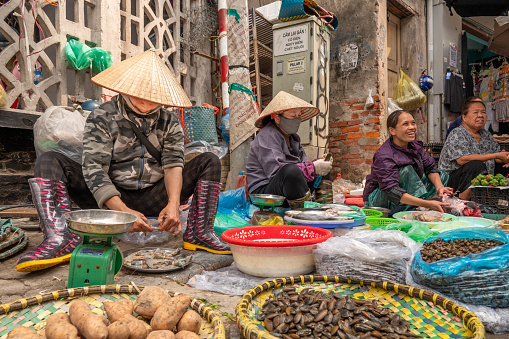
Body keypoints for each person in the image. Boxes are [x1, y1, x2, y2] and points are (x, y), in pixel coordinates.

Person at [17, 49, 230, 273]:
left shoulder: (170, 122)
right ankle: (59, 238)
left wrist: (173, 205)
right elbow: (94, 167)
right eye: (140, 94)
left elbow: (173, 164)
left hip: (153, 196)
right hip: (108, 199)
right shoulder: (102, 116)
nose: (146, 101)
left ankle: (199, 233)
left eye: (153, 96)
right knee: (49, 160)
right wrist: (121, 211)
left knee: (209, 161)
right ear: (127, 88)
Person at [246, 91, 333, 209]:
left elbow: (305, 167)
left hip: (289, 189)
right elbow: (278, 172)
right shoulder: (267, 136)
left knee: (323, 170)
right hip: (265, 192)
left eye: (298, 116)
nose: (296, 120)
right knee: (291, 171)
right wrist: (312, 167)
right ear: (277, 118)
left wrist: (318, 165)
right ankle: (301, 214)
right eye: (292, 116)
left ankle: (326, 211)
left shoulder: (294, 139)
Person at [363, 110, 453, 215]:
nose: (411, 127)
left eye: (413, 123)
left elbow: (430, 167)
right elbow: (391, 191)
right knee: (406, 170)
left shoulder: (415, 146)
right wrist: (427, 204)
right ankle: (413, 206)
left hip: (404, 192)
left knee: (442, 175)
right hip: (380, 201)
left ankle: (416, 204)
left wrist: (440, 187)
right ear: (392, 131)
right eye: (405, 124)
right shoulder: (384, 155)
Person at [439, 100, 509, 200]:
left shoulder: (486, 134)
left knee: (504, 166)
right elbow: (462, 159)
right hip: (451, 183)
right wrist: (496, 156)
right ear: (464, 117)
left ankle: (498, 201)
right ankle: (461, 204)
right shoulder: (457, 133)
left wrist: (505, 158)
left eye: (483, 112)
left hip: (480, 179)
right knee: (475, 165)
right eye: (475, 112)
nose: (480, 115)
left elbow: (497, 155)